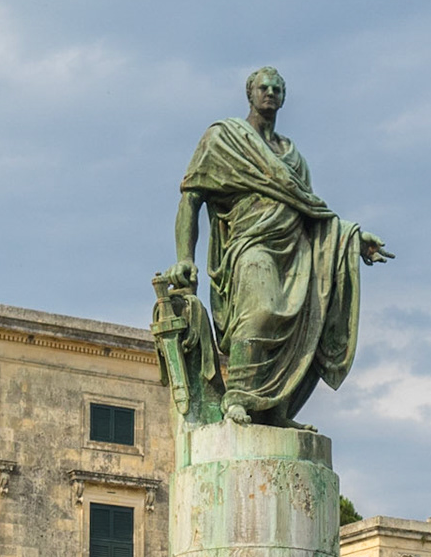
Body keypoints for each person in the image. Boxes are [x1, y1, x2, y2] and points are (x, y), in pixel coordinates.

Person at [161, 67, 391, 426]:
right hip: (251, 244)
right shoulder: (223, 138)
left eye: (276, 89)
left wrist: (353, 238)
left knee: (300, 326)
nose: (269, 93)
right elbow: (191, 199)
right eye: (262, 87)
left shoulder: (293, 156)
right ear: (249, 94)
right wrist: (184, 258)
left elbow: (311, 211)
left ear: (283, 97)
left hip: (296, 251)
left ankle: (275, 412)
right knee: (263, 310)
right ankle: (238, 395)